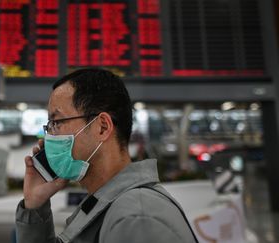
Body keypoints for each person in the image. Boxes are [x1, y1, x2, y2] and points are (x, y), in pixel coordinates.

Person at [15, 68, 198, 243]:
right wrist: (35, 204)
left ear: (102, 127)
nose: (50, 136)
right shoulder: (108, 204)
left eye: (56, 122)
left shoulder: (136, 218)